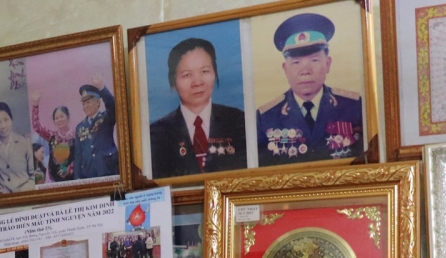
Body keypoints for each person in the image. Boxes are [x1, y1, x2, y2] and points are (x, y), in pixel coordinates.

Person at [256, 13, 363, 166]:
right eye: (296, 62)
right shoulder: (266, 117)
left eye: (314, 60)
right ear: (285, 69)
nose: (305, 71)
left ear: (328, 64)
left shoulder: (354, 106)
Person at [150, 38, 247, 178]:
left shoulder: (239, 121)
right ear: (173, 82)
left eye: (205, 71)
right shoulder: (157, 133)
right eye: (187, 75)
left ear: (215, 74)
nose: (197, 82)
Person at [74, 76, 119, 179]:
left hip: (108, 170)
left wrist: (101, 87)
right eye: (83, 104)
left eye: (88, 102)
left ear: (98, 103)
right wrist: (77, 179)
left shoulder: (106, 117)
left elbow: (112, 105)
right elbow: (78, 155)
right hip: (88, 174)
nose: (85, 106)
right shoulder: (79, 127)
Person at [31, 90, 75, 182]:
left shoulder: (75, 135)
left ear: (68, 117)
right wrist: (35, 104)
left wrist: (70, 169)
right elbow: (37, 127)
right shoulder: (52, 135)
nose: (59, 120)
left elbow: (80, 156)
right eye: (56, 118)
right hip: (54, 179)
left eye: (61, 116)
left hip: (73, 177)